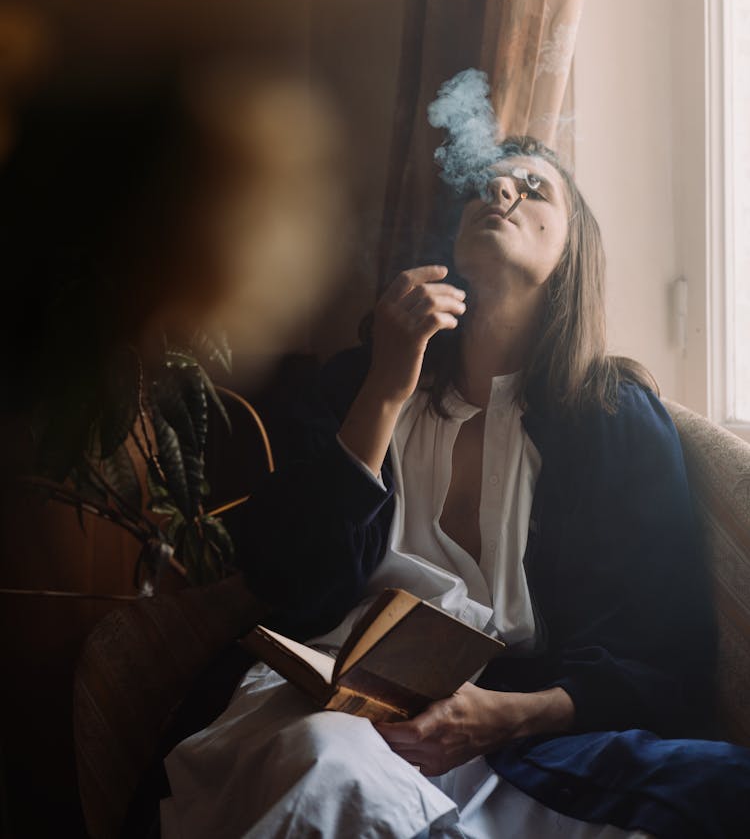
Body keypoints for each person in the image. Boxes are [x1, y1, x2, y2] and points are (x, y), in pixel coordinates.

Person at [160, 137, 742, 838]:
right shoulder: (355, 382)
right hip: (337, 716)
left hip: (520, 737)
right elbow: (290, 582)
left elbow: (665, 649)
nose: (500, 193)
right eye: (486, 184)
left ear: (571, 251)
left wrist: (508, 714)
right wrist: (384, 387)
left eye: (533, 187)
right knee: (329, 767)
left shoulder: (611, 416)